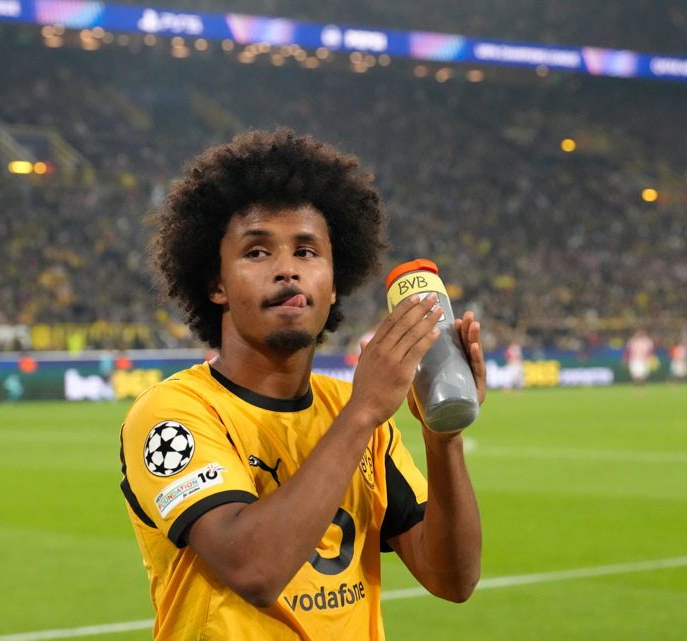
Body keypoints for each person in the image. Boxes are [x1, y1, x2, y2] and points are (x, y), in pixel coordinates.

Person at [119, 128, 485, 640]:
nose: (287, 270)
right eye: (257, 252)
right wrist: (362, 414)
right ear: (216, 285)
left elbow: (453, 578)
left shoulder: (352, 411)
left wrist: (441, 437)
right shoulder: (174, 413)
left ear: (334, 283)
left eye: (308, 252)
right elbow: (255, 571)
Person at [624, 328, 655, 392]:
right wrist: (626, 359)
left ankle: (641, 385)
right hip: (634, 359)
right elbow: (628, 351)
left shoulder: (647, 341)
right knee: (635, 373)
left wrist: (650, 358)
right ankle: (637, 385)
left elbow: (650, 351)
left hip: (644, 360)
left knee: (643, 373)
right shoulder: (632, 341)